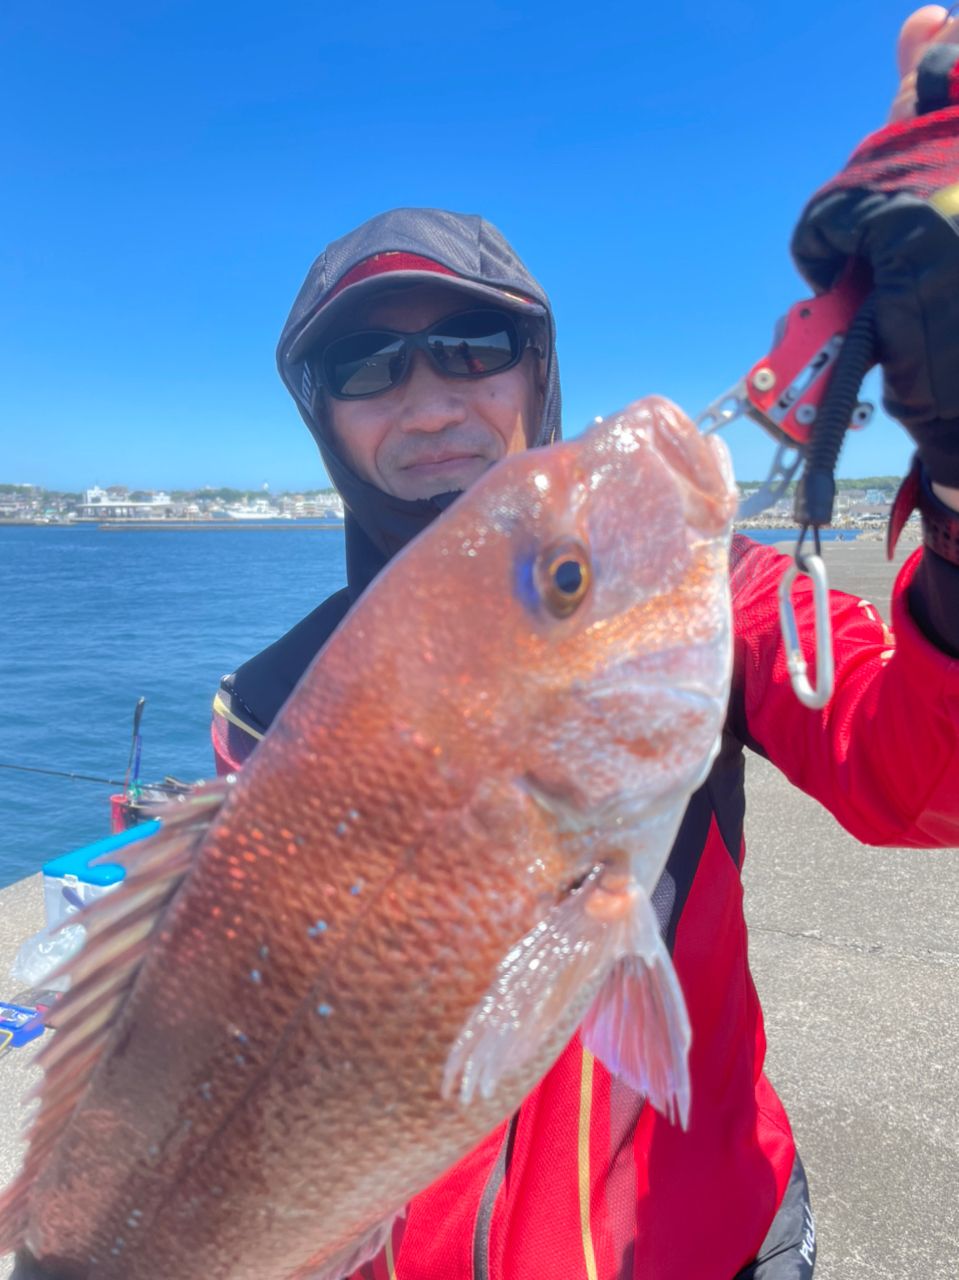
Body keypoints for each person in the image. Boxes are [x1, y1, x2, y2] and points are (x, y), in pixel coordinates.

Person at [211, 12, 959, 1278]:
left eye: (472, 345)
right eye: (367, 365)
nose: (433, 399)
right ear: (321, 416)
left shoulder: (696, 590)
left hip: (716, 1247)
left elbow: (923, 778)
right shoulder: (269, 702)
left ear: (534, 371)